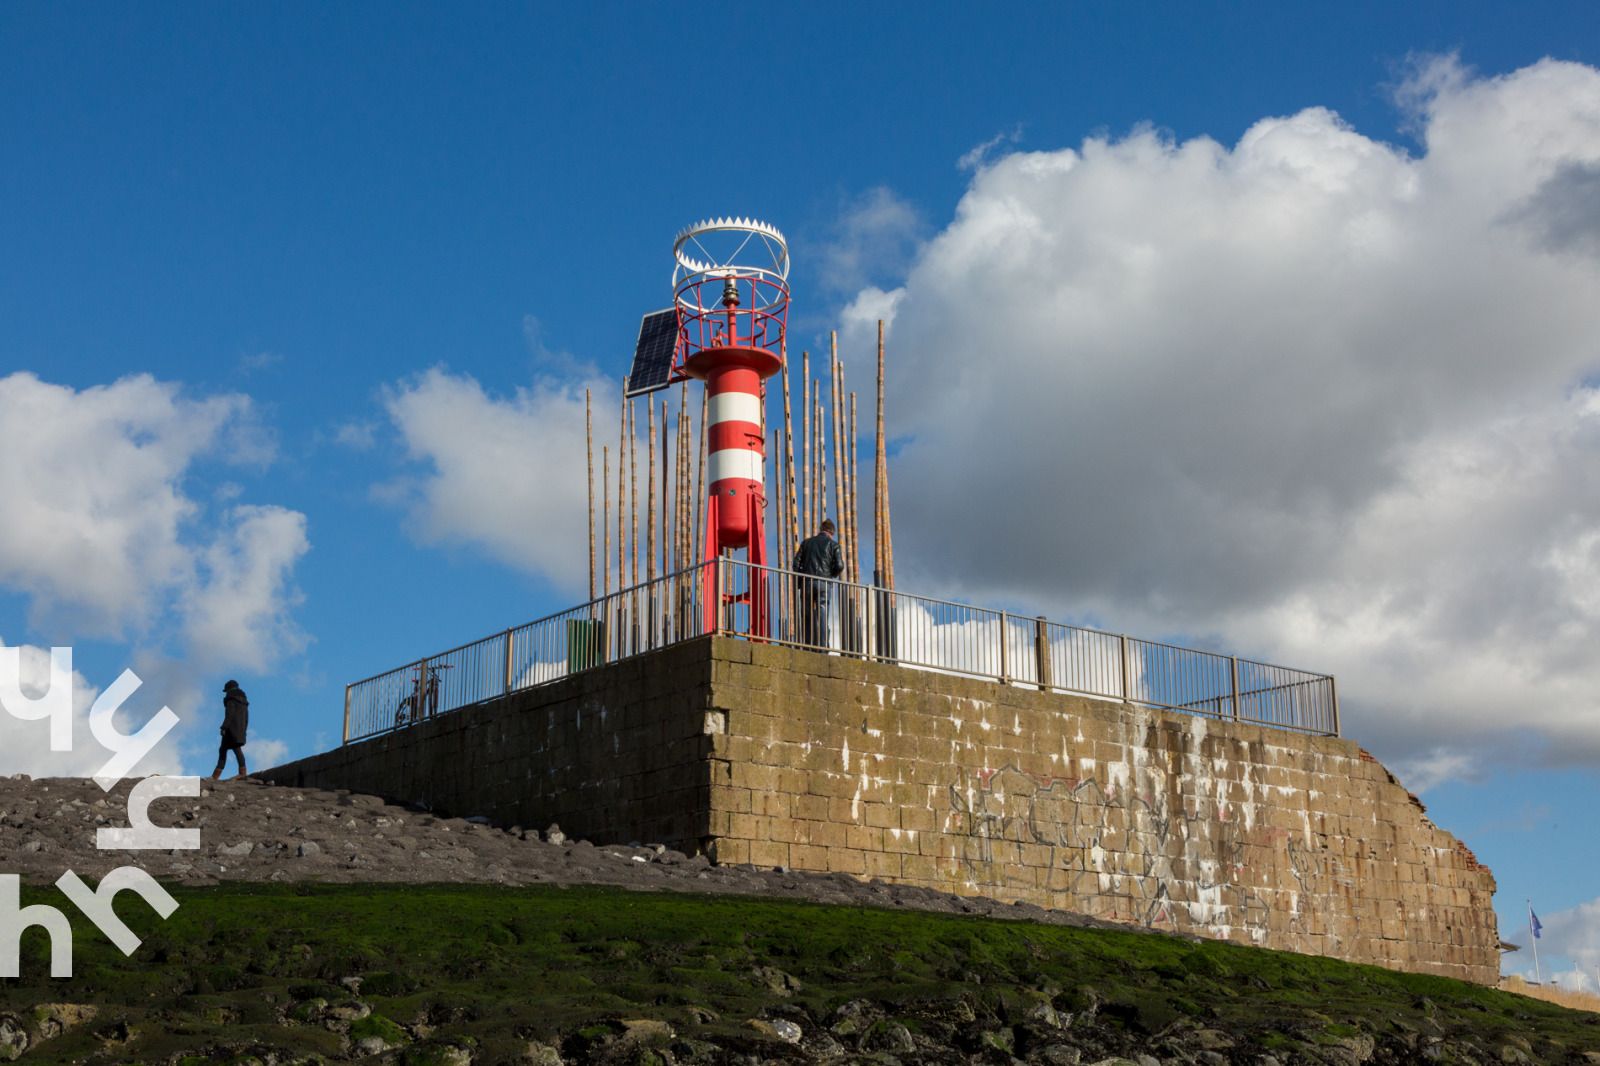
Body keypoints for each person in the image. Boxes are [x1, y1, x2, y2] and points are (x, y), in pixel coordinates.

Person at [793, 518, 844, 648]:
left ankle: (808, 644)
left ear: (821, 529)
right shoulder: (834, 545)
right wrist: (831, 575)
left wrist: (801, 579)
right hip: (824, 583)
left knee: (807, 613)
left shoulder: (806, 543)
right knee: (823, 614)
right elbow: (839, 565)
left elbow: (795, 564)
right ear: (832, 533)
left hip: (807, 582)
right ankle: (822, 645)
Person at [211, 679, 249, 780]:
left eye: (226, 691)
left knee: (227, 749)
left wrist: (224, 727)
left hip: (230, 729)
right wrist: (244, 730)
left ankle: (216, 776)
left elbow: (229, 715)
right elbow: (246, 718)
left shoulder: (231, 699)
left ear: (228, 690)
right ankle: (242, 772)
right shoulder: (244, 702)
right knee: (231, 749)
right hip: (240, 729)